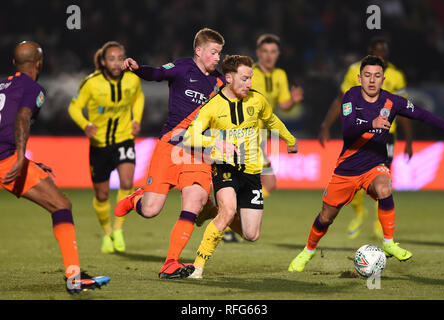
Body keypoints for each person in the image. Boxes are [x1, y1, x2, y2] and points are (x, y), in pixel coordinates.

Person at [288, 55, 444, 273]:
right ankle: (307, 251)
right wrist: (371, 124)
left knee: (384, 186)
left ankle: (389, 242)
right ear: (359, 77)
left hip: (374, 165)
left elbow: (422, 115)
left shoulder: (393, 102)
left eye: (376, 76)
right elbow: (347, 130)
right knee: (326, 217)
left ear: (383, 78)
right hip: (347, 169)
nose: (372, 80)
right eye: (367, 75)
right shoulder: (351, 96)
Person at [114, 28, 226, 279]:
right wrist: (137, 68)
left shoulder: (220, 83)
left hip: (198, 152)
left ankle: (170, 263)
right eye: (213, 52)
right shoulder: (182, 67)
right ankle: (136, 200)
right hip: (170, 146)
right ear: (198, 51)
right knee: (151, 209)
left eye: (219, 53)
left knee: (194, 202)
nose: (217, 57)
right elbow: (156, 73)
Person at [0, 41, 110, 293]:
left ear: (14, 63)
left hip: (5, 155)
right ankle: (74, 277)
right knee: (61, 205)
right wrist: (19, 156)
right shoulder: (31, 87)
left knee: (57, 201)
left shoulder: (2, 86)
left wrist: (27, 161)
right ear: (39, 63)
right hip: (6, 159)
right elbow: (22, 118)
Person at [182, 55, 298, 279]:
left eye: (250, 78)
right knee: (228, 212)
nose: (249, 84)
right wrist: (213, 141)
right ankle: (197, 266)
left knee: (251, 234)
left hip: (253, 171)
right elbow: (189, 137)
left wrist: (290, 139)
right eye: (244, 79)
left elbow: (272, 120)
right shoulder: (213, 106)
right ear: (228, 78)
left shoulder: (257, 100)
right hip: (225, 167)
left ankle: (211, 210)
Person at [205, 33, 304, 243]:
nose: (269, 56)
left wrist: (293, 102)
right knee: (267, 182)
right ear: (258, 53)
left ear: (278, 54)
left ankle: (227, 215)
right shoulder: (251, 73)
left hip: (259, 140)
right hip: (243, 140)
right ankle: (228, 216)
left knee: (267, 184)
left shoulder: (280, 75)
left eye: (274, 51)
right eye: (265, 51)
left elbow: (282, 105)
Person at [318, 37, 413, 240]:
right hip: (359, 133)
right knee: (354, 175)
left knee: (383, 179)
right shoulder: (355, 71)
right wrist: (326, 125)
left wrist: (409, 140)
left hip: (386, 135)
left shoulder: (396, 75)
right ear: (369, 51)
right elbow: (340, 99)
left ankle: (380, 224)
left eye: (383, 50)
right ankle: (359, 213)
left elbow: (405, 109)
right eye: (376, 50)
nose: (380, 54)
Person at [68, 41, 145, 254]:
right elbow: (74, 107)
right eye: (112, 58)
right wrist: (86, 124)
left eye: (121, 58)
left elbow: (138, 97)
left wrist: (136, 119)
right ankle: (106, 233)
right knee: (101, 195)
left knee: (128, 182)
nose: (117, 62)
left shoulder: (131, 79)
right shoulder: (91, 83)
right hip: (99, 145)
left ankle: (118, 229)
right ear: (103, 61)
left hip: (124, 139)